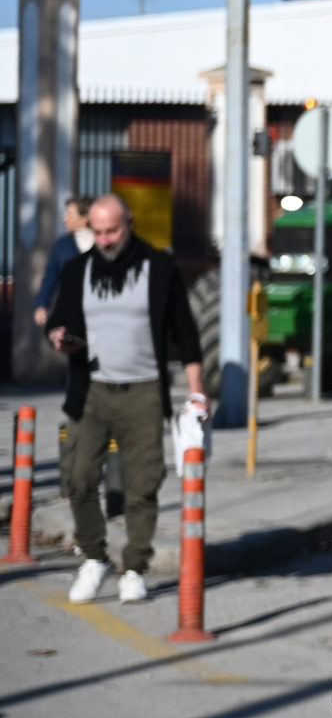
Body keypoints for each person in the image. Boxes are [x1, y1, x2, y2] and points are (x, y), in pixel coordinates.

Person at [45, 193, 205, 605]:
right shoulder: (77, 269)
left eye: (112, 230)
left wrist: (197, 392)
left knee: (142, 484)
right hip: (92, 390)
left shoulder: (159, 268)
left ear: (129, 223)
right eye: (96, 232)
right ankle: (95, 557)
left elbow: (185, 333)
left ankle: (134, 566)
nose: (105, 239)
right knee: (79, 478)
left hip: (144, 391)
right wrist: (60, 338)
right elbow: (59, 322)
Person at [31, 194, 93, 330]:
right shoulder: (62, 246)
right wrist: (42, 305)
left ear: (85, 217)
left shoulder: (103, 244)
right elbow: (50, 278)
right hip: (72, 316)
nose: (64, 219)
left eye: (69, 214)